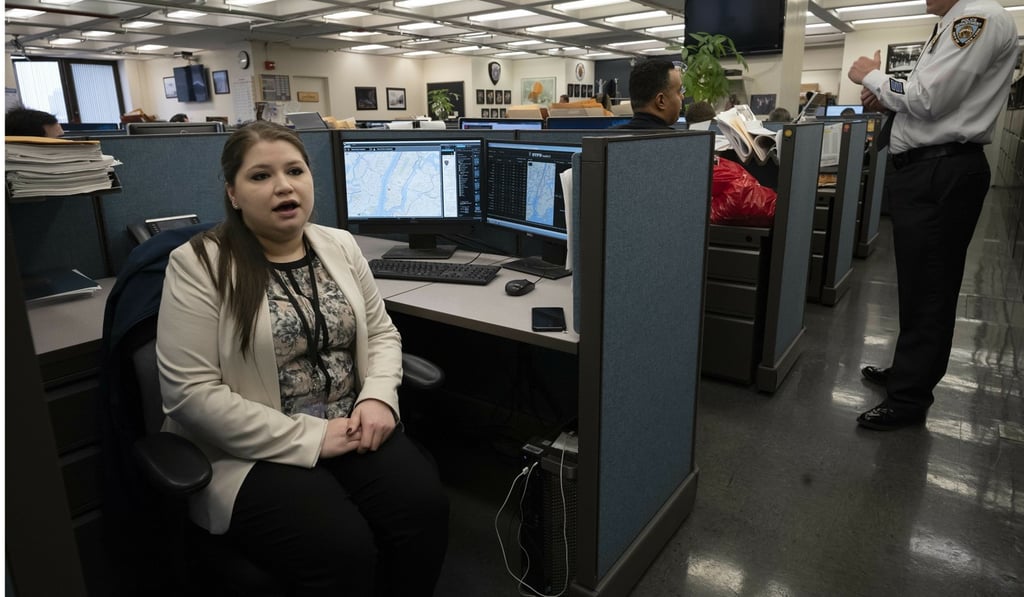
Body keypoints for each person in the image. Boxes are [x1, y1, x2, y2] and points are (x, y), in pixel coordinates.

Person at [156, 121, 449, 594]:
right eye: (260, 176)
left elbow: (381, 333)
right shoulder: (199, 264)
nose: (283, 186)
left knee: (424, 509)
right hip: (256, 447)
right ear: (233, 193)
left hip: (354, 425)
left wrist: (377, 399)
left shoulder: (339, 244)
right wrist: (312, 438)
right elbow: (189, 396)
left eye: (295, 170)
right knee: (341, 547)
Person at [847, 0, 1017, 431]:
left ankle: (909, 398)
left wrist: (869, 73)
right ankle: (909, 371)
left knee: (931, 289)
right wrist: (888, 96)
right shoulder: (951, 22)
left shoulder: (976, 19)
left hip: (941, 170)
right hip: (928, 170)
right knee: (920, 283)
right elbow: (924, 97)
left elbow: (928, 99)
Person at [613, 58, 683, 129]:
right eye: (679, 91)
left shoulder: (606, 136)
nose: (682, 97)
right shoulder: (678, 139)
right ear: (661, 100)